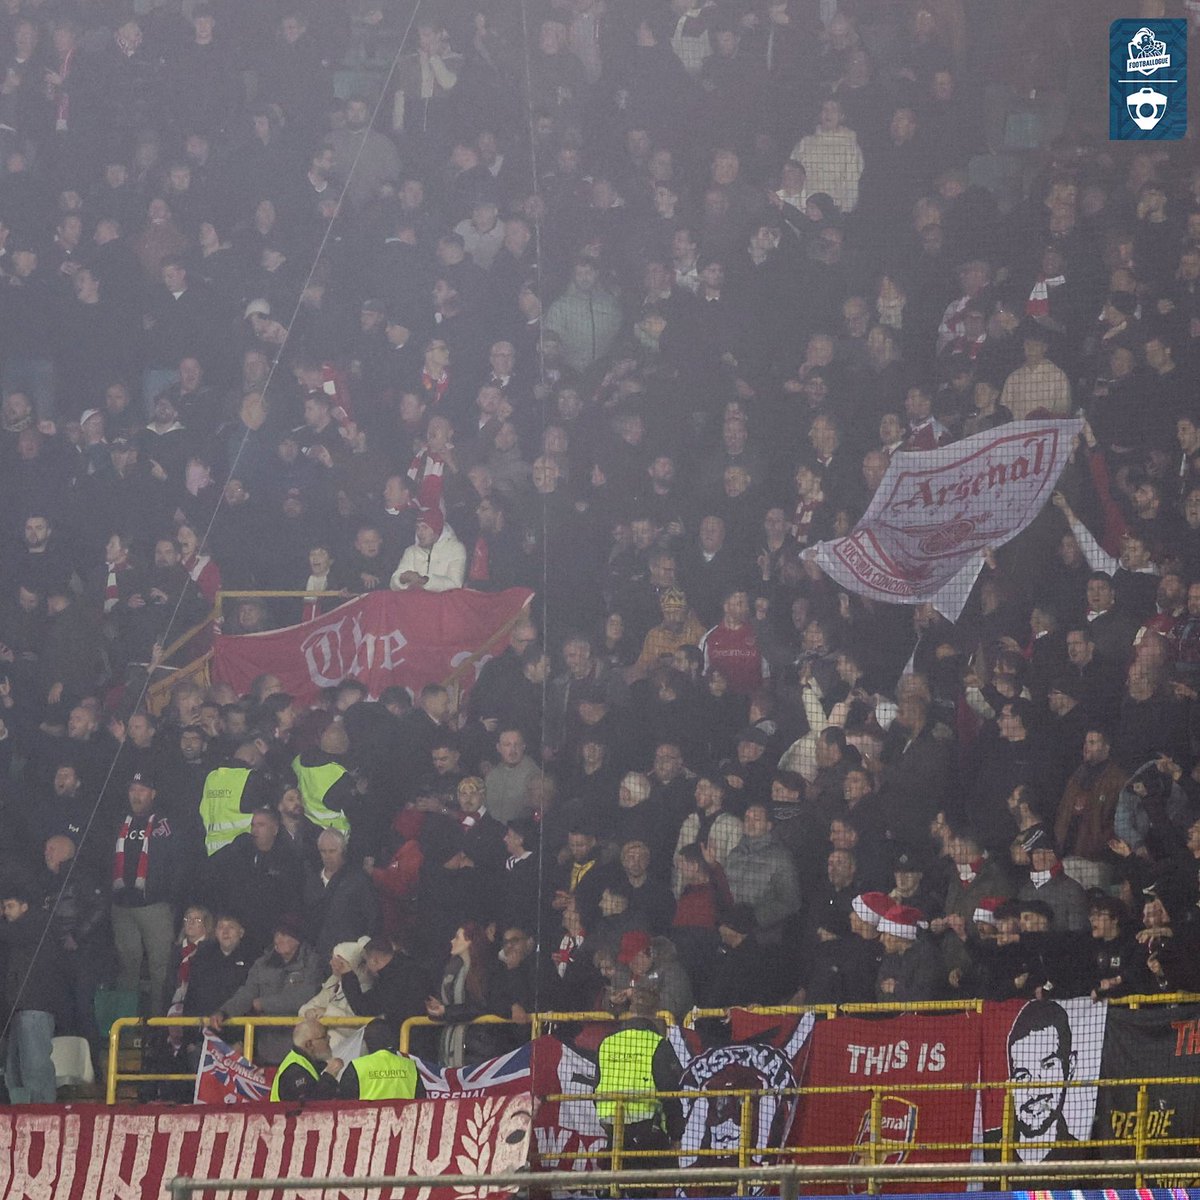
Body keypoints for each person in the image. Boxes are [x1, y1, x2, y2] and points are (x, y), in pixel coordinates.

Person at [0, 882, 60, 1103]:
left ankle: (43, 1117)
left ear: (25, 907)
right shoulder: (17, 931)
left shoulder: (36, 923)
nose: (6, 912)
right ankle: (23, 1118)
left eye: (10, 906)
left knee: (35, 1069)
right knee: (13, 1072)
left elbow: (9, 934)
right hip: (19, 1007)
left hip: (36, 1006)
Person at [337, 1018, 424, 1099]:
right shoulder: (409, 1066)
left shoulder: (357, 1066)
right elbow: (422, 1100)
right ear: (392, 1040)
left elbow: (344, 1102)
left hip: (368, 1115)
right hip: (405, 1115)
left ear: (366, 1041)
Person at [270, 1016, 342, 1101]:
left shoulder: (306, 1062)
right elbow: (309, 1106)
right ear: (309, 1045)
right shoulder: (295, 1070)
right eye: (324, 1036)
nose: (329, 1038)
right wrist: (329, 1075)